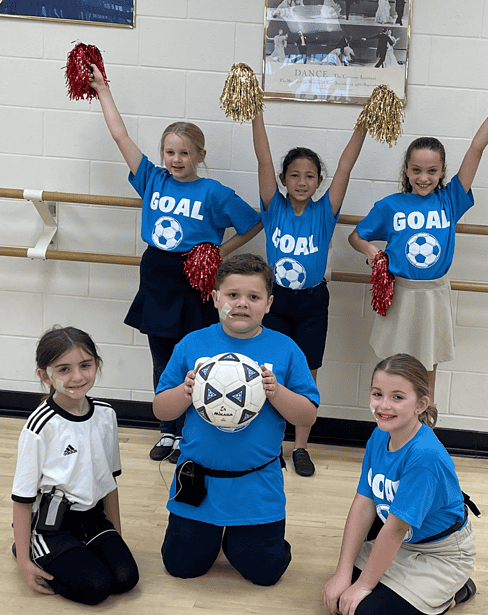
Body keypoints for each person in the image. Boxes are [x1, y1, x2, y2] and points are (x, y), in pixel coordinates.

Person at [89, 65, 262, 464]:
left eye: (185, 152)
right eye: (170, 151)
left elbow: (253, 222)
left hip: (196, 279)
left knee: (196, 356)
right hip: (157, 274)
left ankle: (191, 432)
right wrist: (103, 91)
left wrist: (218, 252)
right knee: (162, 358)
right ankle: (167, 431)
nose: (176, 158)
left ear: (200, 155)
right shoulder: (152, 178)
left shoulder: (214, 191)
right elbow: (120, 136)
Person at [153, 253, 319, 584]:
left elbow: (308, 414)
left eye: (253, 297)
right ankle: (209, 534)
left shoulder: (285, 349)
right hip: (197, 480)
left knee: (265, 573)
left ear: (269, 303)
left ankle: (238, 538)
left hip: (257, 484)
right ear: (215, 299)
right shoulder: (192, 344)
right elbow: (161, 410)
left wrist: (276, 392)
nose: (242, 304)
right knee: (181, 567)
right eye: (232, 295)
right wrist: (186, 390)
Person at [348, 114, 488, 402]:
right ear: (406, 169)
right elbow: (356, 237)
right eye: (416, 170)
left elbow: (476, 149)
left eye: (432, 171)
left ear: (443, 171)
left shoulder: (450, 199)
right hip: (400, 295)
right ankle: (389, 416)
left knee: (427, 364)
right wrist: (371, 251)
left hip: (434, 295)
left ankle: (425, 418)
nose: (423, 178)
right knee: (393, 363)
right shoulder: (389, 206)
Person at [251, 106, 367, 476]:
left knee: (306, 374)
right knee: (271, 372)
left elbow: (346, 167)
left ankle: (301, 446)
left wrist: (362, 126)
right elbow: (263, 160)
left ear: (319, 181)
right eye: (294, 175)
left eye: (310, 176)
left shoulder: (325, 210)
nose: (302, 182)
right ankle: (270, 445)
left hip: (314, 302)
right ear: (284, 180)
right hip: (276, 300)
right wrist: (256, 114)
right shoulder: (274, 208)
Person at [321, 354, 477, 615]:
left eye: (397, 397)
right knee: (339, 600)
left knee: (363, 610)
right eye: (377, 394)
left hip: (439, 553)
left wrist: (363, 585)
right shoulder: (379, 434)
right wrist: (342, 573)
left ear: (421, 404)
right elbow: (363, 503)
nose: (383, 406)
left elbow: (395, 528)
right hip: (404, 540)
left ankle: (454, 590)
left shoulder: (425, 455)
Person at [11, 326, 139, 605]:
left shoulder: (106, 415)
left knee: (126, 578)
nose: (78, 377)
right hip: (51, 525)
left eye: (85, 365)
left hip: (92, 518)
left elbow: (110, 483)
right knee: (96, 588)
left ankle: (77, 553)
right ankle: (28, 546)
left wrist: (116, 535)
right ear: (45, 376)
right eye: (64, 369)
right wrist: (23, 562)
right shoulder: (39, 427)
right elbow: (22, 498)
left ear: (97, 365)